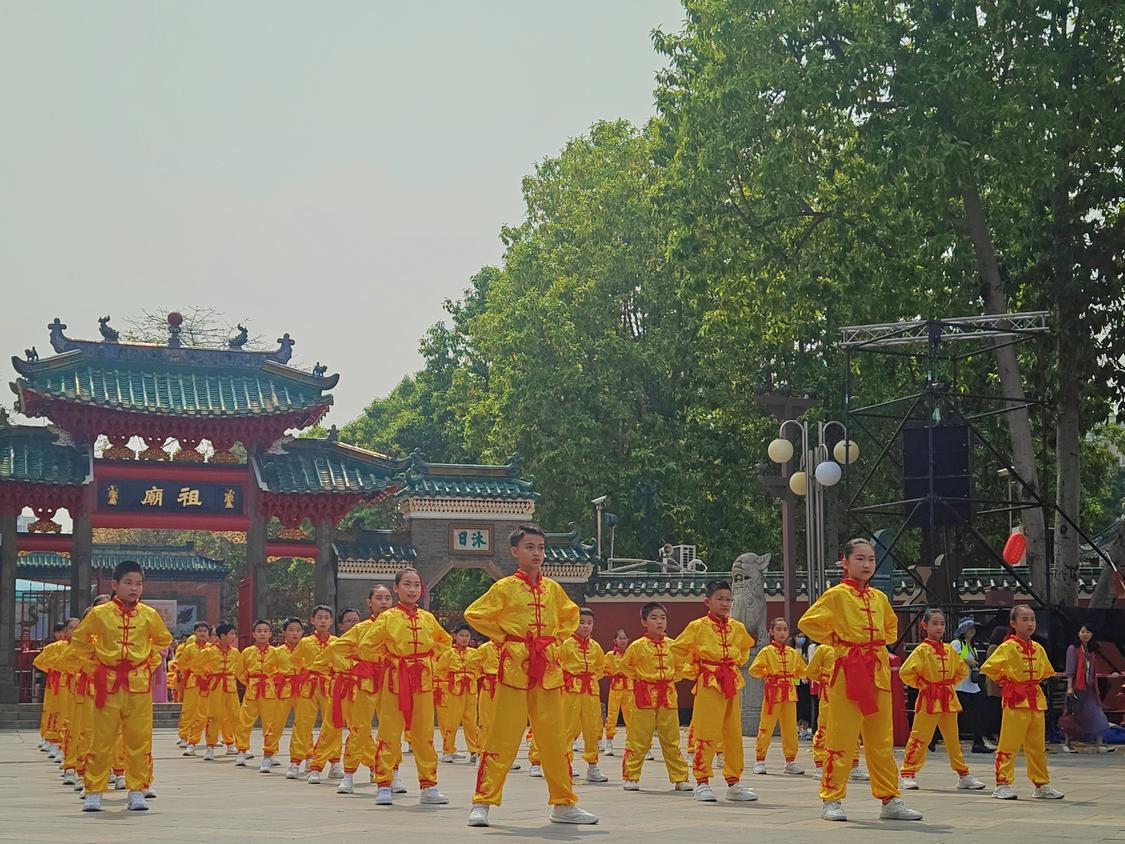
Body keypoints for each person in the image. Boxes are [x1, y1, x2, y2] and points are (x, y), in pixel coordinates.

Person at [464, 524, 598, 827]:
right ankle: (482, 802)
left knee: (553, 739)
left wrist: (554, 638)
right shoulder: (505, 587)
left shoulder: (553, 588)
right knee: (503, 736)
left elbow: (571, 615)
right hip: (515, 669)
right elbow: (475, 614)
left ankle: (564, 803)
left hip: (548, 671)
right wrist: (504, 637)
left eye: (540, 547)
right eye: (529, 547)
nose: (536, 553)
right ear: (515, 552)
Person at [798, 538, 922, 822]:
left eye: (870, 559)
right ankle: (832, 798)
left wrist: (877, 643)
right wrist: (838, 640)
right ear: (846, 561)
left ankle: (890, 799)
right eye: (860, 559)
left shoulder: (879, 598)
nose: (867, 564)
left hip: (876, 671)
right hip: (847, 672)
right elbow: (808, 622)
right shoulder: (836, 595)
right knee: (841, 736)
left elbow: (892, 627)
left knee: (881, 740)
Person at [70, 560, 172, 812]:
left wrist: (147, 665)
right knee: (102, 738)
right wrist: (96, 668)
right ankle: (94, 790)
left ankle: (137, 789)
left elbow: (162, 641)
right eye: (128, 582)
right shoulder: (99, 613)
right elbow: (79, 643)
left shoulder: (149, 615)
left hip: (138, 686)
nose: (134, 588)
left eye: (138, 583)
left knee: (139, 739)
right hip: (107, 685)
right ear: (115, 585)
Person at [359, 567, 451, 807]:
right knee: (389, 731)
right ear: (396, 588)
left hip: (423, 680)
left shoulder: (428, 619)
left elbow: (445, 642)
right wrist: (388, 659)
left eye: (417, 585)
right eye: (407, 585)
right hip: (395, 680)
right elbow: (366, 647)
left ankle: (428, 785)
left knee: (424, 733)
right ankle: (384, 783)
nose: (412, 590)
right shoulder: (387, 618)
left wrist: (428, 660)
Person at [671, 579, 758, 804]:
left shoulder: (736, 627)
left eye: (728, 599)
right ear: (707, 601)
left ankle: (734, 782)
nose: (725, 603)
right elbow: (678, 648)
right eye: (720, 599)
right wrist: (696, 665)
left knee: (732, 733)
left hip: (731, 679)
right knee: (706, 731)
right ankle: (702, 781)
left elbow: (746, 646)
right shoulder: (697, 626)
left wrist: (736, 660)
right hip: (709, 681)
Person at [980, 605, 1063, 800]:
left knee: (1037, 745)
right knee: (1009, 743)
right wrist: (1007, 683)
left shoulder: (1037, 648)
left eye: (1032, 619)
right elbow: (989, 668)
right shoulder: (1007, 647)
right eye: (1024, 619)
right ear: (1013, 623)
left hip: (1035, 699)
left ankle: (1041, 784)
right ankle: (1002, 783)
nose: (1030, 623)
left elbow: (1045, 672)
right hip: (1015, 700)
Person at [898, 609, 986, 791]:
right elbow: (905, 672)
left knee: (953, 738)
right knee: (920, 736)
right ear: (925, 625)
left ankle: (963, 774)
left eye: (942, 624)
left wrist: (948, 684)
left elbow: (961, 670)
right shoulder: (921, 650)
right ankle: (907, 773)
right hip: (928, 699)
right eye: (935, 624)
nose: (939, 627)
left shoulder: (948, 649)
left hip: (948, 698)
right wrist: (924, 684)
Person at [323, 585, 400, 794]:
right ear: (369, 602)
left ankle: (394, 773)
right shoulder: (361, 628)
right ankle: (348, 775)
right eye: (378, 598)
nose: (383, 602)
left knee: (391, 728)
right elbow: (336, 649)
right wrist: (355, 666)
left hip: (392, 681)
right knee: (359, 727)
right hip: (367, 682)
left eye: (387, 598)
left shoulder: (400, 624)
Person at [619, 602, 691, 792]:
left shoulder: (674, 645)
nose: (659, 622)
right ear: (644, 622)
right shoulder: (637, 646)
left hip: (668, 695)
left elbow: (681, 667)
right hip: (644, 697)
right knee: (638, 738)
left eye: (663, 618)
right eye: (654, 618)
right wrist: (641, 679)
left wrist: (670, 680)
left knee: (671, 739)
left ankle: (680, 778)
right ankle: (631, 776)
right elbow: (625, 666)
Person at [748, 617, 808, 775]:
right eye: (779, 629)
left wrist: (794, 675)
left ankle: (791, 761)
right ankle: (760, 760)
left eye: (785, 629)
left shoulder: (792, 653)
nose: (782, 633)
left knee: (790, 728)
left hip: (789, 693)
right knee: (766, 726)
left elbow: (802, 671)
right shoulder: (766, 651)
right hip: (773, 693)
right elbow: (754, 669)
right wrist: (768, 674)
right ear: (771, 632)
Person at [560, 608, 608, 783]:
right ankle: (564, 766)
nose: (586, 626)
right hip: (571, 690)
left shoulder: (596, 647)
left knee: (592, 728)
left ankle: (593, 766)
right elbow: (559, 666)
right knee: (568, 728)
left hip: (591, 691)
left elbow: (601, 668)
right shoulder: (566, 645)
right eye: (582, 622)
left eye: (589, 623)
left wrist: (591, 677)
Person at [1062, 624, 1116, 753]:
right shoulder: (1073, 649)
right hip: (1076, 688)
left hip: (1090, 688)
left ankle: (1100, 744)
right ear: (1078, 633)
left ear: (1092, 635)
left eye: (1088, 632)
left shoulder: (1091, 651)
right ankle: (1067, 743)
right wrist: (1069, 688)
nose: (1085, 634)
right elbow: (1070, 671)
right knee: (1072, 716)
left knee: (1097, 714)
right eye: (1082, 631)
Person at [234, 619, 281, 770]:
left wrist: (273, 681)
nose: (262, 634)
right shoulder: (247, 652)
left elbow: (281, 670)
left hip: (269, 690)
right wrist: (250, 682)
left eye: (265, 631)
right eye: (259, 631)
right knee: (245, 721)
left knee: (271, 723)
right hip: (252, 690)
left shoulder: (276, 652)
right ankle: (241, 750)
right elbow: (239, 672)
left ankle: (271, 752)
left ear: (270, 634)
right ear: (253, 634)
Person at [435, 622, 482, 764]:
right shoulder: (448, 654)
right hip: (454, 691)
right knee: (452, 721)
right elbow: (440, 671)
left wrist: (472, 676)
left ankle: (474, 750)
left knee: (471, 722)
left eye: (467, 636)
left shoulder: (474, 653)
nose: (464, 638)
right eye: (461, 635)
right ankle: (447, 750)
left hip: (471, 690)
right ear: (455, 636)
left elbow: (480, 669)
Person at [196, 623, 241, 761]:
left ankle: (241, 746)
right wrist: (207, 676)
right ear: (222, 636)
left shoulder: (235, 652)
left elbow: (240, 669)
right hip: (215, 686)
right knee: (213, 715)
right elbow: (197, 667)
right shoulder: (208, 652)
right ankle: (210, 747)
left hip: (231, 686)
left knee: (235, 715)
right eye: (231, 633)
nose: (233, 636)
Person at [951, 617, 991, 754]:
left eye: (973, 628)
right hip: (959, 686)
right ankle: (934, 738)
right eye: (970, 628)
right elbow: (950, 657)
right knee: (950, 715)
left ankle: (978, 742)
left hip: (971, 685)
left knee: (981, 712)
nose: (972, 630)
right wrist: (967, 661)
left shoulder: (971, 646)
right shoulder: (957, 643)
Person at [32, 621, 69, 759]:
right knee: (53, 709)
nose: (61, 635)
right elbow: (39, 661)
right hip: (57, 683)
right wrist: (54, 669)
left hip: (74, 684)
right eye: (59, 632)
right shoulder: (53, 647)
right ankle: (52, 739)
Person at [275, 617, 305, 777]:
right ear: (284, 632)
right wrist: (277, 677)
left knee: (303, 725)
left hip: (303, 690)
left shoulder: (306, 648)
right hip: (284, 690)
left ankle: (306, 756)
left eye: (298, 630)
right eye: (291, 630)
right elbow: (267, 667)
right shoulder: (277, 651)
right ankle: (269, 753)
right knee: (276, 722)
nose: (295, 633)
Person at [175, 622, 211, 750]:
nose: (202, 633)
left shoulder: (212, 648)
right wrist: (189, 671)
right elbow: (181, 664)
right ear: (195, 633)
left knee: (204, 711)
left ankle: (201, 737)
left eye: (205, 631)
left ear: (208, 633)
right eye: (199, 631)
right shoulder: (189, 648)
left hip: (207, 683)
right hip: (193, 682)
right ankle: (184, 736)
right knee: (188, 710)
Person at [601, 628, 632, 756]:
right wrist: (614, 673)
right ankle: (609, 743)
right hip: (616, 687)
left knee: (631, 716)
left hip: (630, 687)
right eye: (620, 638)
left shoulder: (632, 653)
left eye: (625, 638)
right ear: (615, 640)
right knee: (612, 715)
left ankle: (634, 745)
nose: (623, 641)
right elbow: (603, 668)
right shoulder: (610, 655)